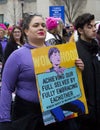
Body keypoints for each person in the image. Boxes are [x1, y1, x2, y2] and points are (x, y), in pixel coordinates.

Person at [0, 13, 84, 130]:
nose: (41, 28)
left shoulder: (58, 52)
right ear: (26, 31)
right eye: (36, 25)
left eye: (43, 25)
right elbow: (6, 87)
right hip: (28, 114)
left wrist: (77, 67)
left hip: (56, 110)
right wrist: (4, 120)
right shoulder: (17, 56)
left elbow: (66, 79)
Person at [74, 13, 100, 130]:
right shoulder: (74, 51)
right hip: (84, 113)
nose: (94, 29)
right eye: (89, 27)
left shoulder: (96, 48)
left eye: (94, 26)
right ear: (80, 30)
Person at [46, 47, 85, 122]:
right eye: (54, 55)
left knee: (81, 105)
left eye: (58, 55)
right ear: (50, 59)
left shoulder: (64, 69)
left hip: (66, 97)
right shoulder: (47, 72)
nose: (57, 57)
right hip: (54, 101)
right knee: (60, 116)